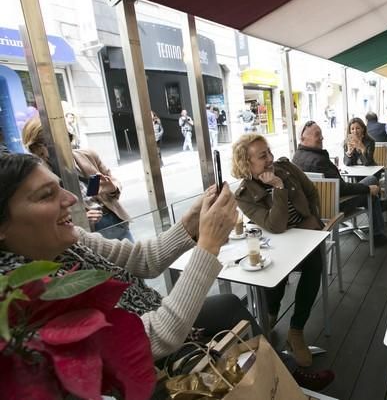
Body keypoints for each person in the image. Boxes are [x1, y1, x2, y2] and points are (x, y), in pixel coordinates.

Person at [0, 153, 334, 391]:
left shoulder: (72, 240)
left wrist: (190, 224)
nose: (71, 198)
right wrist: (208, 244)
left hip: (159, 322)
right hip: (152, 372)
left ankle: (284, 376)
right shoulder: (18, 301)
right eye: (47, 195)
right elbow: (157, 337)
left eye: (60, 186)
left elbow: (143, 260)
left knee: (229, 306)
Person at [231, 134, 323, 367]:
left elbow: (311, 191)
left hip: (307, 235)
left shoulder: (286, 167)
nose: (270, 159)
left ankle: (296, 331)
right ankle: (270, 316)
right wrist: (278, 188)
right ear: (246, 163)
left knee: (314, 263)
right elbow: (276, 225)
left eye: (269, 152)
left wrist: (313, 219)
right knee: (272, 268)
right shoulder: (244, 195)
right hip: (279, 243)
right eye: (263, 156)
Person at [21, 116, 133, 241]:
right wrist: (79, 218)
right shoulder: (37, 175)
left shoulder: (87, 156)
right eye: (51, 143)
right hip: (87, 233)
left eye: (66, 137)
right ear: (35, 148)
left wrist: (112, 188)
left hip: (116, 220)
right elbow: (43, 216)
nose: (62, 144)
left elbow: (110, 183)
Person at [293, 122, 387, 245]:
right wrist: (367, 189)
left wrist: (360, 148)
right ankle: (378, 234)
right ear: (303, 138)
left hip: (316, 208)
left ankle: (379, 214)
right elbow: (342, 187)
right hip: (336, 205)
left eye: (358, 128)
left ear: (363, 129)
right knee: (372, 182)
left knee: (371, 187)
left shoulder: (296, 157)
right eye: (317, 135)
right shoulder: (318, 160)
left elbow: (365, 163)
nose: (322, 138)